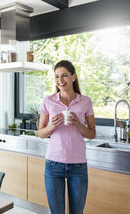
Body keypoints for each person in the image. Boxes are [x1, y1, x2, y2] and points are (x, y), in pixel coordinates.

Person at [37, 60, 96, 214]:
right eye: (57, 76)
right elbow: (41, 133)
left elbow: (92, 133)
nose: (60, 80)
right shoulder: (48, 101)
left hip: (78, 166)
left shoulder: (85, 101)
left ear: (73, 77)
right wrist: (52, 126)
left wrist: (78, 124)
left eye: (64, 76)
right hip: (53, 165)